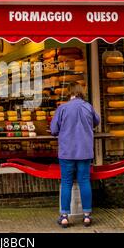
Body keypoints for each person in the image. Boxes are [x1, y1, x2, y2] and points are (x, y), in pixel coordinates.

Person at [50, 82, 100, 228]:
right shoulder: (88, 107)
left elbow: (54, 129)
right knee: (84, 181)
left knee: (66, 182)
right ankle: (86, 217)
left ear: (69, 92)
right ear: (81, 92)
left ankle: (64, 217)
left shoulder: (63, 108)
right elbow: (96, 121)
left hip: (67, 152)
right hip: (84, 151)